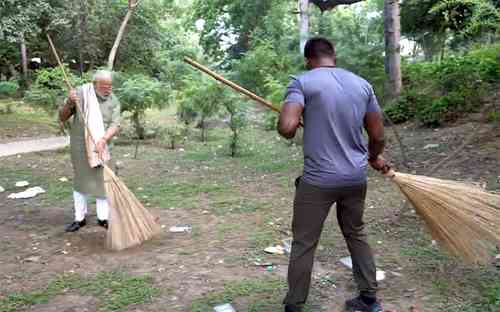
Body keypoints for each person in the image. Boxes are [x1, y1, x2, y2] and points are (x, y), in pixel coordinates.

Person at [278, 37, 387, 312]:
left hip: (318, 180)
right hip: (355, 178)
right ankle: (369, 299)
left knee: (304, 242)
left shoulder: (302, 82)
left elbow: (287, 127)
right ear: (333, 56)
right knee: (356, 233)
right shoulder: (363, 85)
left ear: (308, 60)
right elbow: (377, 134)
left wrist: (293, 120)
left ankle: (294, 306)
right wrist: (373, 157)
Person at [59, 70, 121, 232]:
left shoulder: (114, 100)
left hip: (104, 147)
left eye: (110, 86)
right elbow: (62, 117)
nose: (108, 89)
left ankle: (103, 218)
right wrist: (69, 102)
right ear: (95, 85)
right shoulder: (81, 94)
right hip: (80, 147)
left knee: (103, 182)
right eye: (104, 86)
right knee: (81, 181)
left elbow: (115, 125)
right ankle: (79, 219)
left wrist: (103, 140)